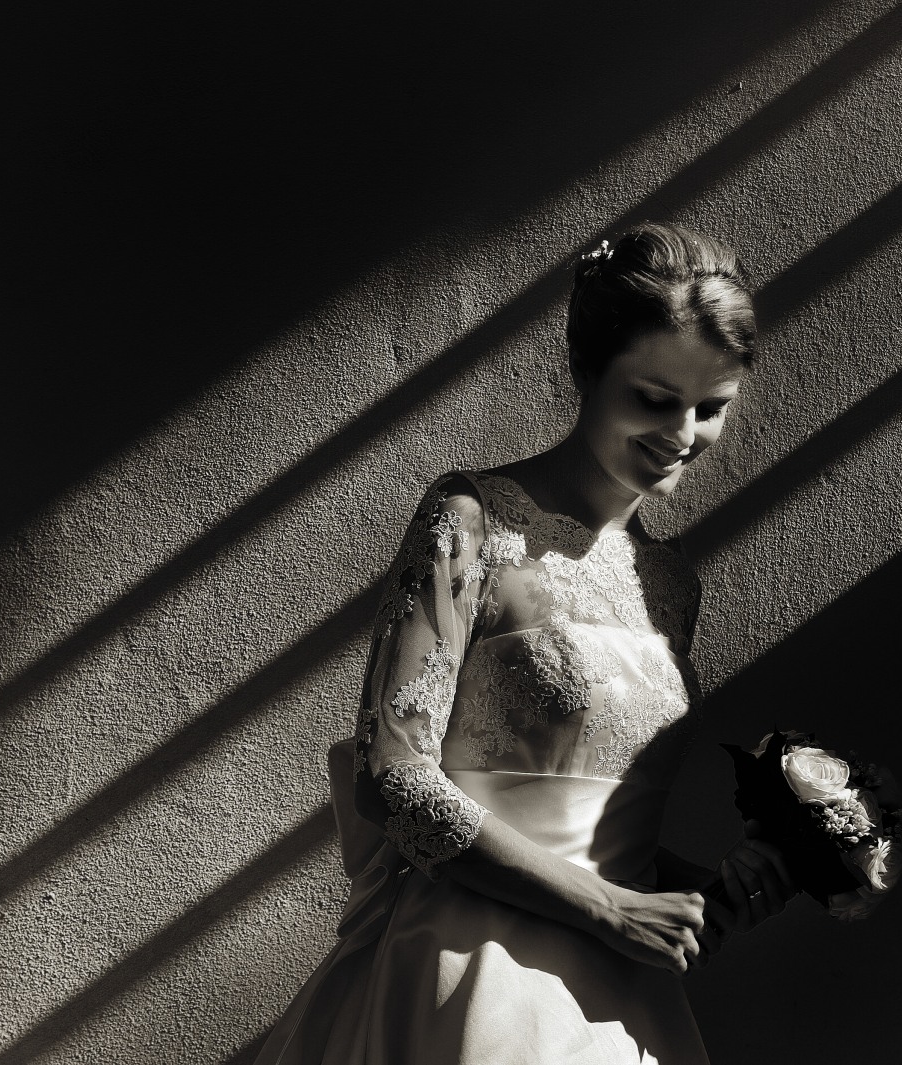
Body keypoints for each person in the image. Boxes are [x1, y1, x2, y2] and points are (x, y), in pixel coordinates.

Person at [255, 223, 794, 1064]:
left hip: (616, 999)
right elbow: (392, 778)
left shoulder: (669, 582)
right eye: (655, 398)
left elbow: (596, 826)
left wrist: (705, 896)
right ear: (586, 368)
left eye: (711, 407)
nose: (683, 432)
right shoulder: (470, 520)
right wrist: (610, 908)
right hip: (473, 977)